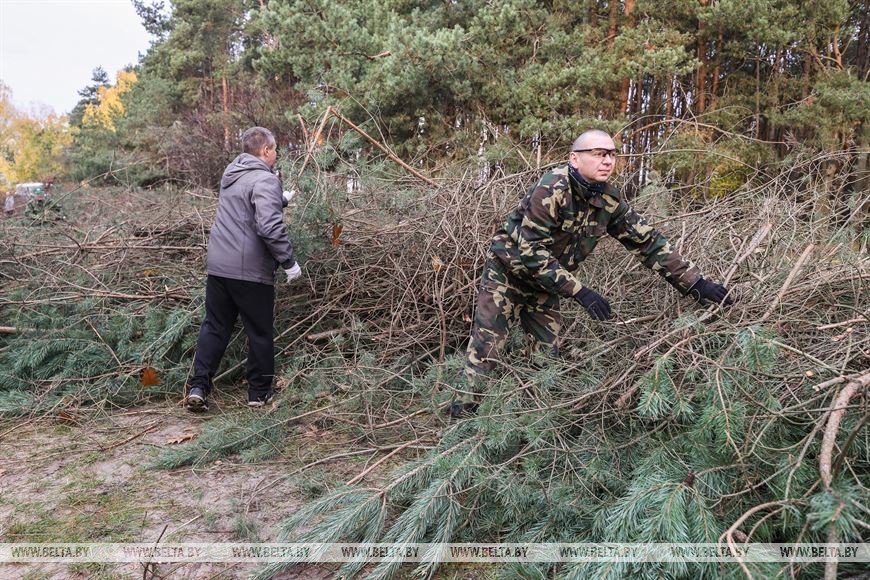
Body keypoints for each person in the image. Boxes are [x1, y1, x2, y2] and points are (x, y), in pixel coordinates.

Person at [455, 129, 733, 417]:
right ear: (575, 159)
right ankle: (463, 418)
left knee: (546, 356)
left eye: (612, 154)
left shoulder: (608, 200)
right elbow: (532, 254)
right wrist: (581, 292)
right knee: (486, 347)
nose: (608, 161)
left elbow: (648, 242)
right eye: (599, 154)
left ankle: (531, 421)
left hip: (547, 284)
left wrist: (695, 283)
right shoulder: (552, 188)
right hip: (508, 274)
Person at [186, 126, 301, 411]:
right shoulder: (265, 179)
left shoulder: (232, 174)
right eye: (274, 150)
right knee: (259, 332)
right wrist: (289, 262)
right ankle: (259, 393)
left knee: (214, 327)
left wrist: (281, 200)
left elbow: (243, 208)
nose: (276, 156)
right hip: (249, 271)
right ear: (265, 151)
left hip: (219, 266)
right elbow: (269, 226)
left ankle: (199, 386)